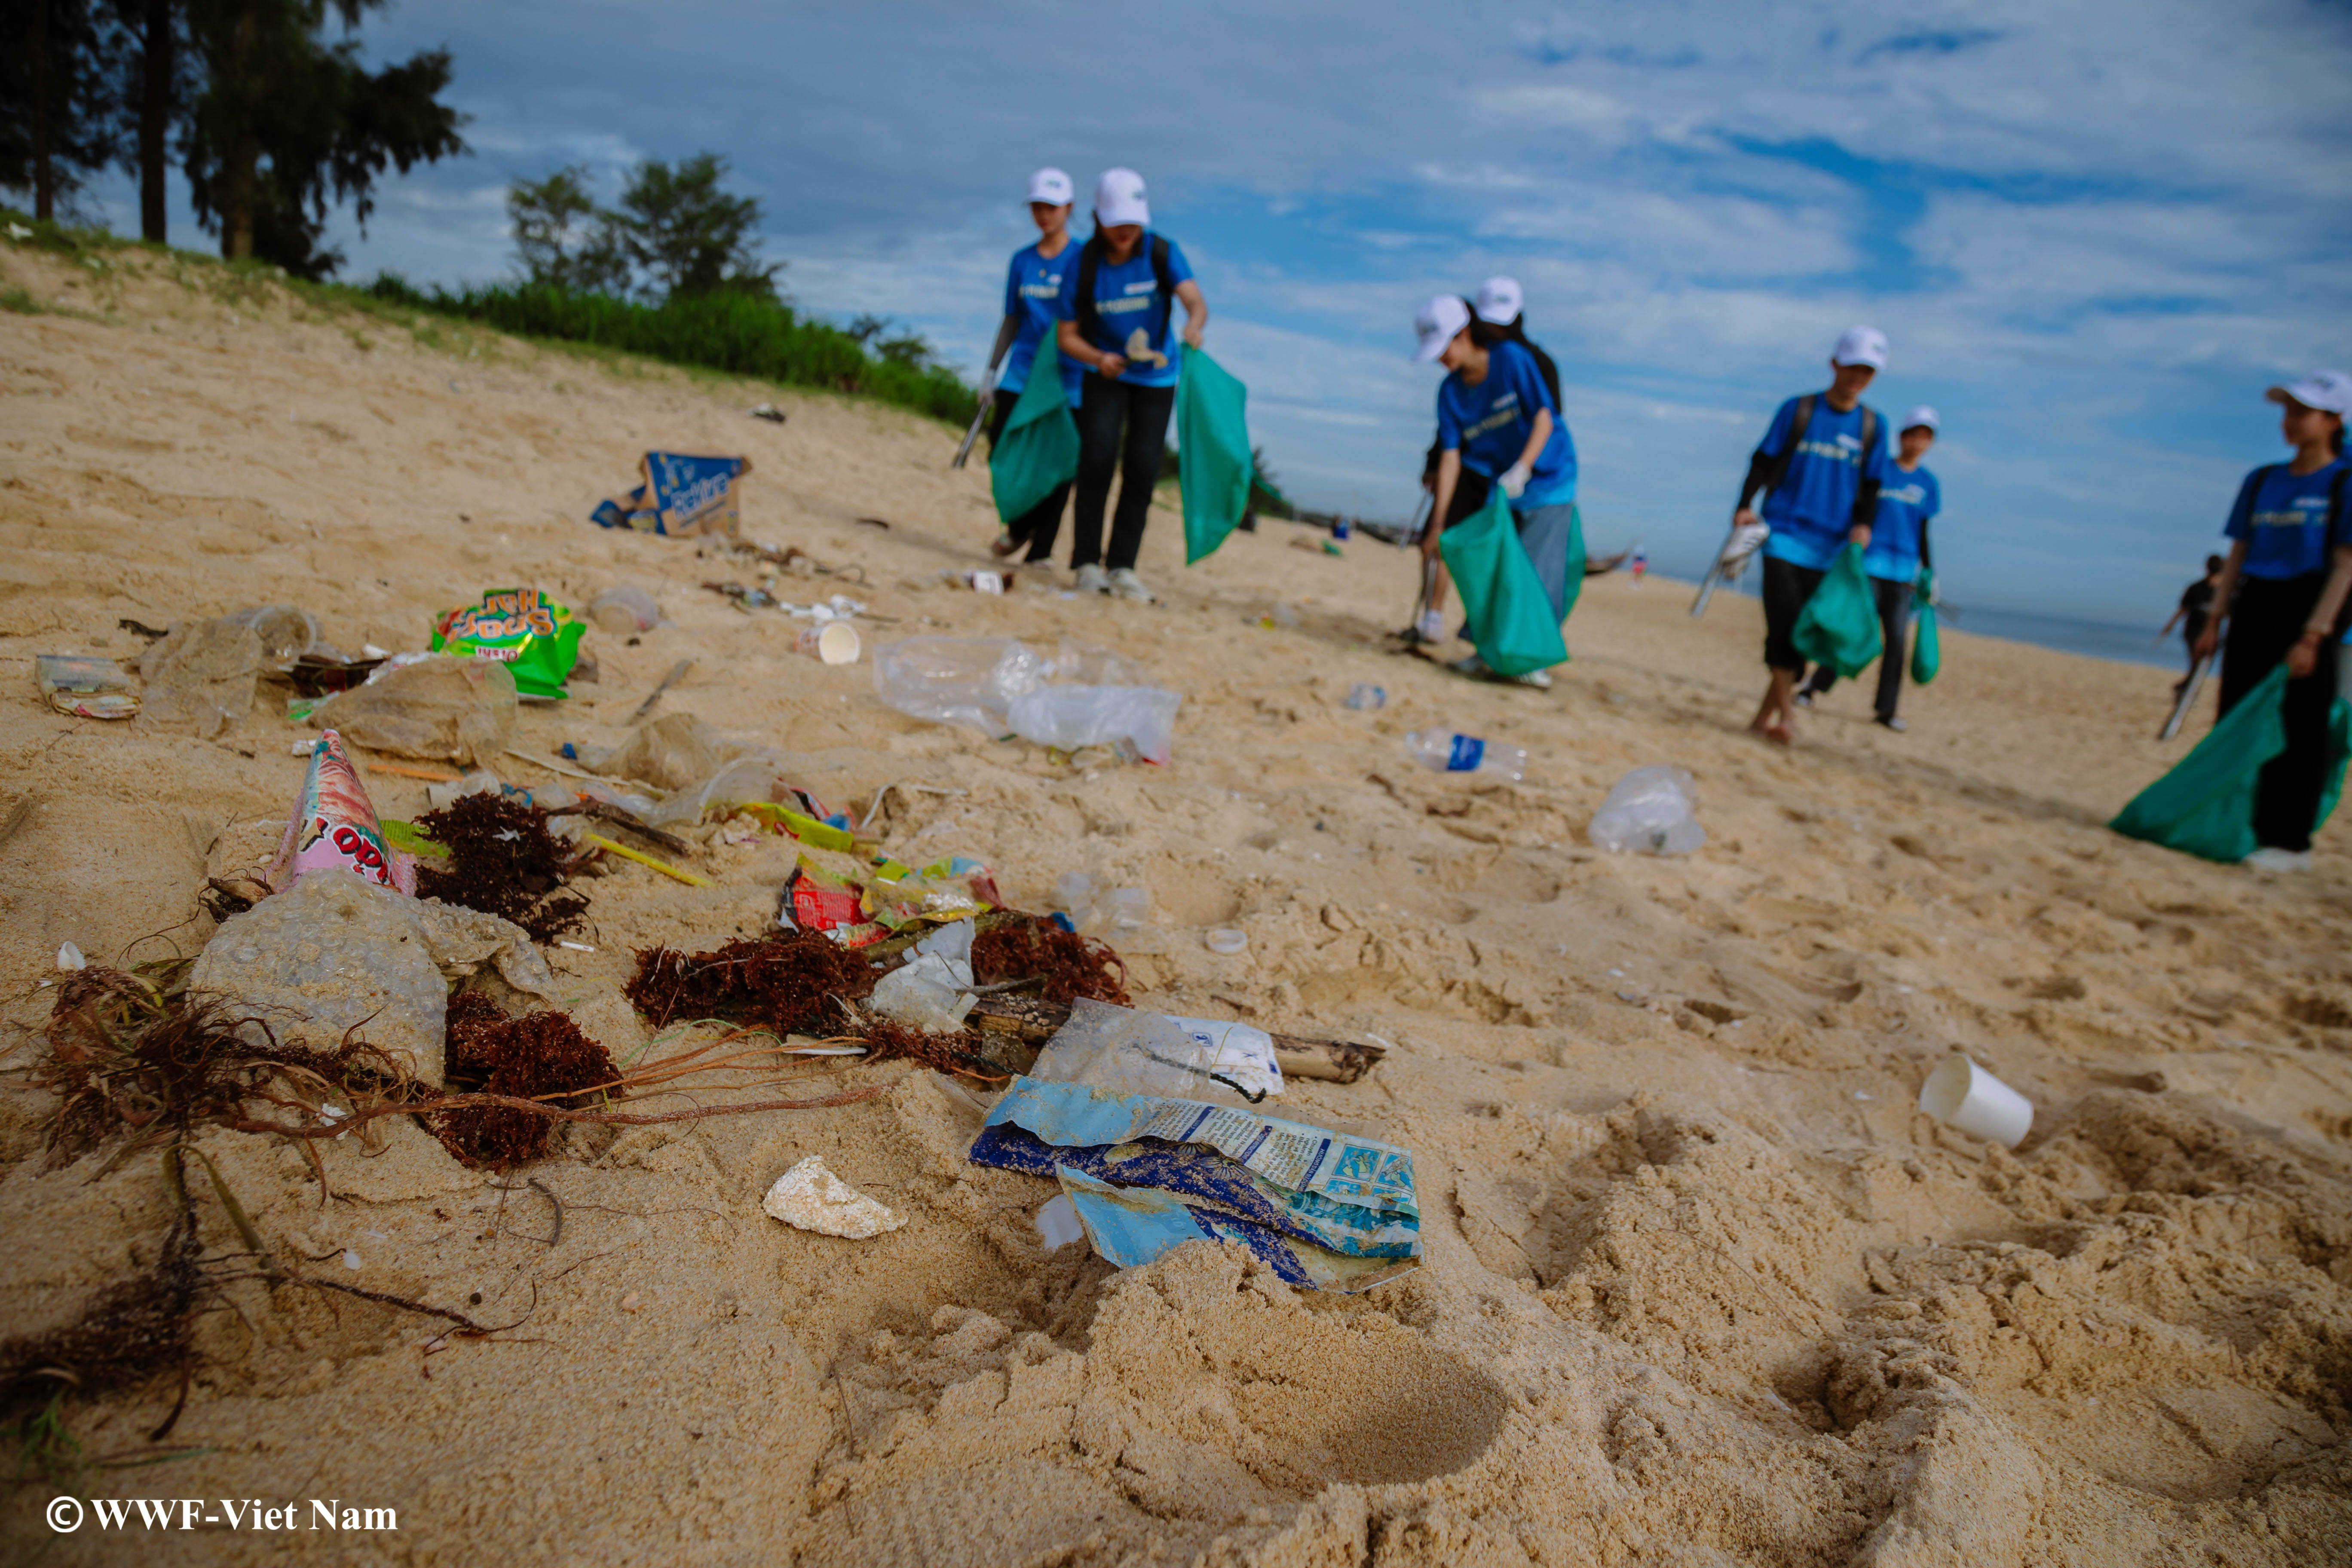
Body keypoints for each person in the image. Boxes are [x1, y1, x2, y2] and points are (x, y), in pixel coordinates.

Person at [2190, 370, 2352, 872]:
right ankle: (2239, 823)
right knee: (2237, 715)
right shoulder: (2262, 480)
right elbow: (2238, 551)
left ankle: (2289, 842)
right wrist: (2214, 622)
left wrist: (2314, 635)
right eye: (2287, 411)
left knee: (2301, 727)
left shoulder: (2344, 482)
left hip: (2309, 607)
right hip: (2255, 603)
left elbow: (2347, 564)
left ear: (2333, 420)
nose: (2290, 421)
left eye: (2303, 412)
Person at [1051, 168, 1209, 601]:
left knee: (1142, 469)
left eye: (1131, 221)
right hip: (1105, 372)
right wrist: (1098, 358)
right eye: (1115, 220)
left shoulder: (1161, 252)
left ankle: (1123, 566)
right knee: (1097, 461)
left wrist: (1194, 326)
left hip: (1157, 377)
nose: (1125, 231)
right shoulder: (1082, 265)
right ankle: (1086, 562)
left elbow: (1195, 302)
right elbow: (1067, 336)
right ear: (1098, 217)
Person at [1411, 292, 1582, 689]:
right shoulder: (1450, 393)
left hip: (1549, 476)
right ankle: (1485, 651)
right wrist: (1438, 524)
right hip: (1501, 485)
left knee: (1536, 570)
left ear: (1465, 333)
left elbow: (1544, 416)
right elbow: (1451, 457)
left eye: (1446, 347)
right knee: (1494, 568)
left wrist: (1524, 466)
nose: (1442, 358)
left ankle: (1528, 659)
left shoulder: (1511, 359)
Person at [1733, 326, 1893, 744]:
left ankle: (1760, 721)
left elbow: (1873, 485)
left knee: (1804, 636)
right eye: (1853, 367)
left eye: (1868, 371)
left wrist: (1865, 526)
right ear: (1835, 364)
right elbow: (1763, 460)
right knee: (1784, 627)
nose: (1859, 377)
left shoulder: (1874, 426)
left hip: (1833, 549)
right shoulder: (1799, 409)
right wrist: (1744, 505)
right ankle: (1788, 717)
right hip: (1783, 533)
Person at [1798, 405, 1941, 730]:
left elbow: (1923, 531)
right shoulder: (1881, 472)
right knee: (1852, 633)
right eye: (1914, 435)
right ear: (1902, 437)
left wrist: (1929, 573)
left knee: (1897, 645)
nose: (1918, 442)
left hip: (1903, 574)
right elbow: (1859, 511)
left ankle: (1886, 710)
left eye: (1926, 437)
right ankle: (1812, 688)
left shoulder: (1927, 484)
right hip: (1868, 567)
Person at [982, 168, 1084, 562]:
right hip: (1021, 374)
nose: (1045, 215)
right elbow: (1011, 318)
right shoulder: (1021, 261)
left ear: (1069, 209)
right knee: (1003, 451)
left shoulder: (1082, 258)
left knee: (1058, 465)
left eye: (1053, 207)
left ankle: (1039, 550)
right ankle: (1019, 528)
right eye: (1038, 207)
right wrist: (991, 372)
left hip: (1067, 382)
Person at [2158, 554, 2226, 695]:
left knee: (2202, 666)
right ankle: (2187, 692)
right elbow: (2182, 610)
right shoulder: (2197, 588)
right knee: (2197, 665)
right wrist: (2168, 628)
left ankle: (2184, 689)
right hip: (2193, 631)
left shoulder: (2223, 591)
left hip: (2213, 633)